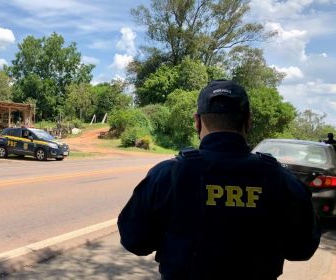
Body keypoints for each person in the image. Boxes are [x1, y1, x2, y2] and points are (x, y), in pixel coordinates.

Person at [118, 80, 320, 280]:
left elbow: (135, 240)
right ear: (248, 120)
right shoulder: (281, 179)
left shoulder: (168, 174)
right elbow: (302, 250)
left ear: (197, 121)